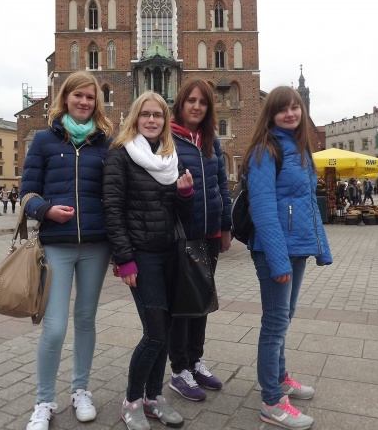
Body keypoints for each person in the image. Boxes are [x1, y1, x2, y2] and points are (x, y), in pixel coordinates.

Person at [20, 71, 114, 430]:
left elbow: (114, 193)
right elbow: (27, 193)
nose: (84, 102)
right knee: (55, 326)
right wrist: (46, 210)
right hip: (56, 245)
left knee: (86, 320)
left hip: (96, 245)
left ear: (96, 102)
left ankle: (80, 390)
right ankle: (44, 400)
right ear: (65, 98)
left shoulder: (105, 142)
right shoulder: (44, 140)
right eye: (78, 95)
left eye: (90, 97)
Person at [242, 86, 332, 429]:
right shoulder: (265, 151)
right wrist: (278, 261)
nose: (290, 114)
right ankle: (271, 401)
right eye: (283, 109)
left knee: (285, 318)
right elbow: (264, 210)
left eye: (295, 108)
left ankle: (279, 379)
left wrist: (321, 248)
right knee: (275, 323)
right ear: (271, 114)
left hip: (296, 248)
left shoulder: (301, 149)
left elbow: (307, 203)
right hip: (273, 251)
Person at [103, 91, 193, 430]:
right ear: (135, 118)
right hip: (142, 256)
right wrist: (124, 258)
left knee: (165, 332)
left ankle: (154, 397)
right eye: (146, 114)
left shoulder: (170, 157)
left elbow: (180, 213)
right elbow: (113, 210)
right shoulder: (121, 154)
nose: (152, 120)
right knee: (155, 334)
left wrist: (185, 193)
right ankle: (132, 401)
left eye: (158, 114)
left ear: (165, 120)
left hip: (170, 253)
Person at [168, 79, 232, 401]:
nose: (196, 106)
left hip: (210, 233)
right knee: (182, 304)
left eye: (203, 102)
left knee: (202, 302)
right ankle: (179, 369)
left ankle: (195, 361)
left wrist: (226, 226)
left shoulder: (211, 141)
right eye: (191, 100)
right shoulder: (168, 139)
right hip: (183, 235)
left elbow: (222, 185)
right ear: (181, 103)